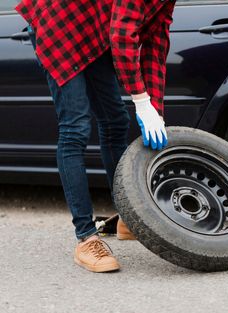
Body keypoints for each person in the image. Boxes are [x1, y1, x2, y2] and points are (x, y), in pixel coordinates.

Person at [14, 0, 176, 272]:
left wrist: (155, 110)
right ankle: (86, 237)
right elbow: (123, 35)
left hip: (96, 31)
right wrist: (140, 99)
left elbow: (155, 44)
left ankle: (127, 215)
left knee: (115, 121)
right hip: (60, 22)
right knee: (75, 127)